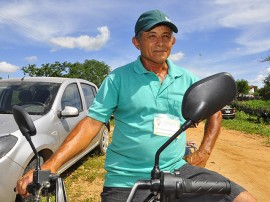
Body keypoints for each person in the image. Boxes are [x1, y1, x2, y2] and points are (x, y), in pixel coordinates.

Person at [16, 9, 257, 202]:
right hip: (126, 180)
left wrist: (203, 152)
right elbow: (92, 123)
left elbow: (214, 110)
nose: (161, 43)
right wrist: (49, 166)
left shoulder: (187, 79)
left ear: (173, 41)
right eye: (151, 36)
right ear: (136, 42)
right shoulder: (117, 79)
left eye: (166, 36)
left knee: (245, 199)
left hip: (178, 171)